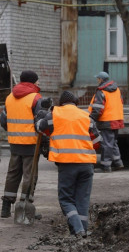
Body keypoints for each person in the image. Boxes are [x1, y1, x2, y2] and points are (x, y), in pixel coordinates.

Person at [35, 91, 101, 239]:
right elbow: (97, 142)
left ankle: (78, 230)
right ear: (76, 103)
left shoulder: (55, 114)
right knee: (82, 199)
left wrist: (41, 113)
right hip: (87, 164)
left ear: (61, 103)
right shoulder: (86, 116)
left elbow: (40, 128)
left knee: (66, 199)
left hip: (67, 164)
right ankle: (82, 229)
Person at [0, 70, 45, 218]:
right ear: (32, 82)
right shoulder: (36, 98)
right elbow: (41, 123)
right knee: (29, 176)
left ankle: (5, 208)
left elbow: (3, 121)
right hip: (31, 144)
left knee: (13, 174)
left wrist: (14, 131)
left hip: (14, 143)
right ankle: (25, 207)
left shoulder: (10, 97)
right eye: (37, 81)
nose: (39, 83)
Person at [88, 71, 124, 173]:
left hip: (107, 120)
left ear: (101, 80)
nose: (97, 81)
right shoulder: (117, 89)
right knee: (113, 142)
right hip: (117, 119)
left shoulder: (101, 91)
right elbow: (121, 102)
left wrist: (91, 118)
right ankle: (118, 162)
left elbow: (98, 108)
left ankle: (105, 166)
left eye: (97, 79)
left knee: (106, 144)